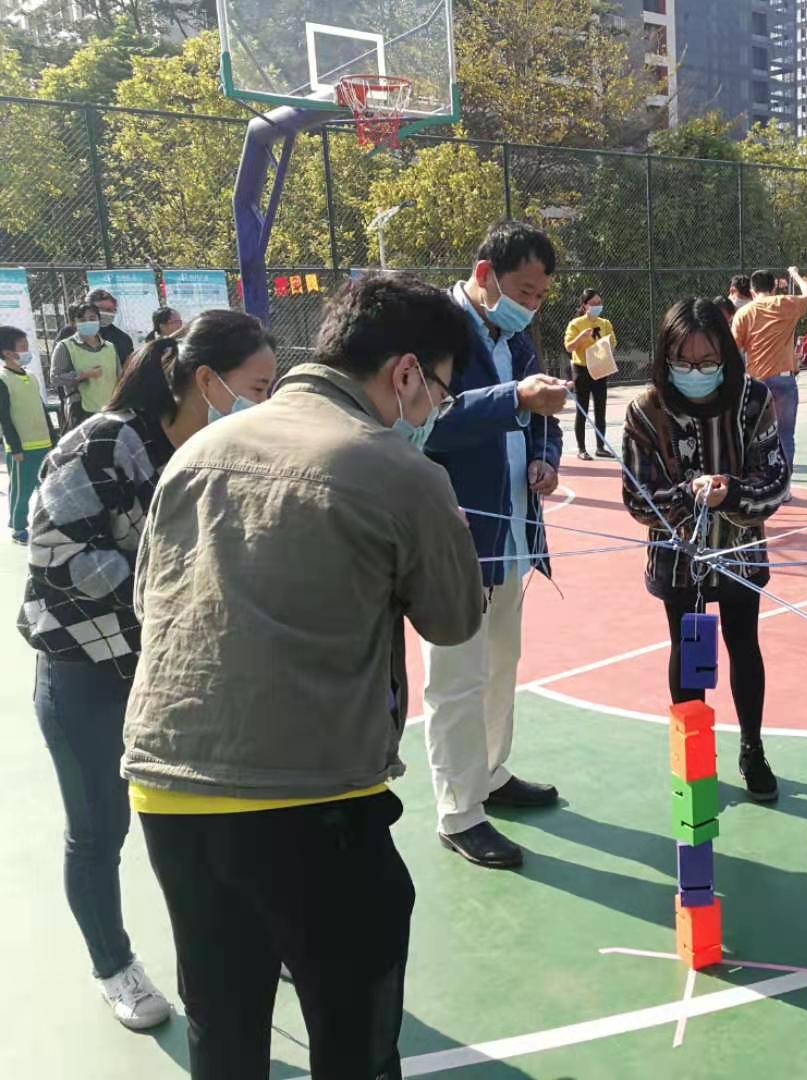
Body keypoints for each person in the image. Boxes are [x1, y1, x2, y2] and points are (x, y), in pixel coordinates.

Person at [119, 276, 482, 1079]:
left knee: (222, 1025)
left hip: (169, 788)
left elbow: (151, 600)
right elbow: (454, 620)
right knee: (354, 1038)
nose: (432, 409)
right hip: (311, 799)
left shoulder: (200, 450)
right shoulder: (400, 470)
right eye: (439, 390)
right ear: (406, 372)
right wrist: (446, 535)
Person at [20, 310, 277, 1033]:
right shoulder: (104, 444)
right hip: (85, 673)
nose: (267, 402)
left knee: (213, 815)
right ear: (208, 380)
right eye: (259, 387)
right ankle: (113, 965)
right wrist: (183, 585)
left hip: (174, 667)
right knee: (99, 830)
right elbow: (58, 561)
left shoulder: (219, 450)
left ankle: (249, 932)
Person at [424, 221, 571, 870]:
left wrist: (545, 458)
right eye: (524, 290)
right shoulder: (436, 331)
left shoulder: (518, 337)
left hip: (513, 534)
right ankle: (459, 812)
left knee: (501, 662)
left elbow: (543, 419)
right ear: (485, 274)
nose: (531, 305)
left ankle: (489, 772)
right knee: (456, 678)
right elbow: (425, 423)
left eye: (540, 295)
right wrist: (513, 396)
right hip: (458, 540)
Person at [621, 298, 788, 800]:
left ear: (727, 357)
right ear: (666, 357)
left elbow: (775, 481)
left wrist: (731, 493)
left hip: (739, 555)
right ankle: (693, 757)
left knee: (744, 645)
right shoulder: (646, 410)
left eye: (708, 362)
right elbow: (638, 498)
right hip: (680, 564)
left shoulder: (753, 400)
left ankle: (752, 748)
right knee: (690, 651)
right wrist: (687, 496)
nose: (695, 372)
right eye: (684, 362)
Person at [731, 266, 807, 476]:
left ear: (752, 291)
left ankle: (757, 478)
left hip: (757, 382)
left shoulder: (744, 313)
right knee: (785, 434)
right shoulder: (785, 303)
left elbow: (733, 349)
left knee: (753, 435)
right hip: (784, 379)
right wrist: (795, 274)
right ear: (774, 288)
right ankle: (784, 482)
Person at [0, 325, 55, 543]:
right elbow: (4, 418)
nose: (27, 350)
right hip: (22, 449)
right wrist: (15, 448)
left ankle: (49, 522)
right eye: (22, 347)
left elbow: (42, 410)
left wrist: (53, 439)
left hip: (43, 444)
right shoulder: (3, 379)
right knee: (21, 490)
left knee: (47, 487)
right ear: (7, 353)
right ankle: (18, 527)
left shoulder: (31, 377)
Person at [563, 288, 618, 460]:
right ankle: (582, 449)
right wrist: (580, 337)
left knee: (601, 409)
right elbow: (569, 347)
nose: (597, 306)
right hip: (582, 370)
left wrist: (606, 351)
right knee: (582, 410)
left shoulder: (605, 323)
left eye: (599, 303)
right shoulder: (575, 324)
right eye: (593, 303)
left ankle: (600, 447)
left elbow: (613, 343)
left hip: (600, 369)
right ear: (585, 305)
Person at [50, 302, 122, 431]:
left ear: (99, 320)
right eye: (82, 320)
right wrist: (83, 375)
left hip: (109, 409)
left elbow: (119, 377)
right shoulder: (65, 346)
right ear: (73, 323)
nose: (88, 322)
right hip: (81, 410)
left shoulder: (110, 347)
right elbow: (55, 378)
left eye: (92, 318)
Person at [57, 288, 135, 366]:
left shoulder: (123, 339)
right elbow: (58, 367)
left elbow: (127, 368)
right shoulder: (68, 333)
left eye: (109, 310)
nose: (105, 313)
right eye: (99, 309)